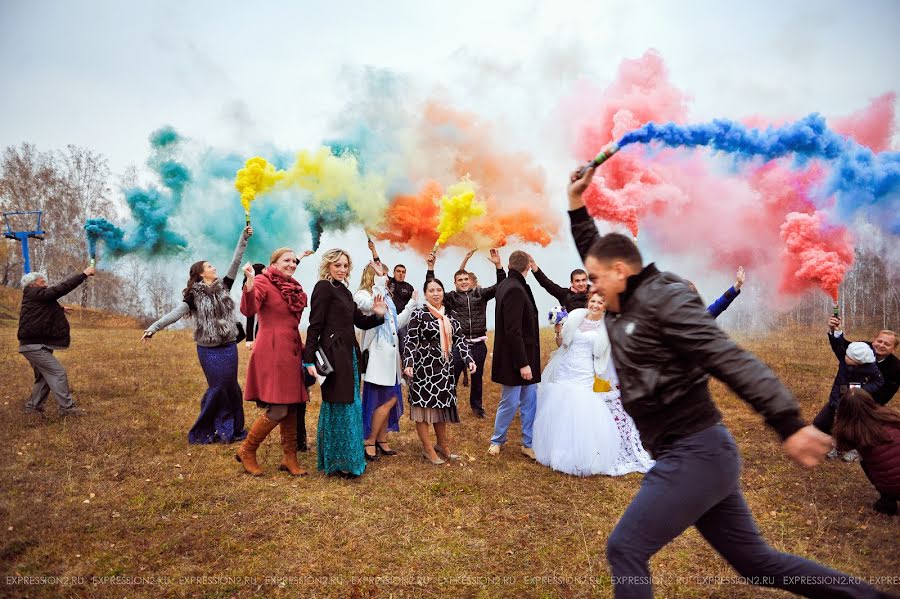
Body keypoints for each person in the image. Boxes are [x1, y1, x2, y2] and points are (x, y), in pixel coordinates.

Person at [567, 166, 883, 598]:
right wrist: (575, 204)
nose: (593, 288)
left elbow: (727, 356)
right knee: (756, 563)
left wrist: (789, 424)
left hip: (693, 452)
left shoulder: (665, 299)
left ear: (620, 271)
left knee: (625, 547)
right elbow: (594, 249)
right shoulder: (625, 296)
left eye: (597, 277)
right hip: (698, 453)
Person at [143, 227, 252, 444]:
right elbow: (176, 314)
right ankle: (208, 427)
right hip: (208, 350)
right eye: (210, 266)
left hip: (229, 346)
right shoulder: (193, 296)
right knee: (218, 387)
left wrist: (243, 237)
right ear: (202, 273)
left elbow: (236, 260)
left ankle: (233, 427)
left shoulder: (224, 286)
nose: (214, 268)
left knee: (231, 387)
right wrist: (153, 327)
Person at [534, 291, 654, 476]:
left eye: (600, 303)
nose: (595, 305)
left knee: (579, 411)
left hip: (585, 372)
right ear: (588, 301)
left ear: (605, 307)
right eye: (593, 301)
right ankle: (557, 453)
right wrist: (558, 331)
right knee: (560, 408)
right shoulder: (575, 317)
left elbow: (608, 353)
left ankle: (577, 456)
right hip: (566, 368)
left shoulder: (607, 327)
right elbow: (562, 344)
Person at [303, 249, 385, 478]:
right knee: (339, 404)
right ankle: (338, 462)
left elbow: (359, 321)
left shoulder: (346, 292)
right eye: (337, 265)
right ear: (328, 266)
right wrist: (307, 359)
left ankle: (350, 458)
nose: (342, 269)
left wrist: (378, 315)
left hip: (349, 354)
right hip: (333, 355)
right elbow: (315, 325)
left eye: (345, 266)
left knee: (350, 403)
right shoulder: (323, 287)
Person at [235, 248, 310, 477]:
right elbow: (248, 308)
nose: (292, 264)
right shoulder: (262, 281)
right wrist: (248, 281)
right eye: (286, 260)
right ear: (274, 263)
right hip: (272, 350)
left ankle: (290, 457)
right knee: (278, 406)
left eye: (294, 261)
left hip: (292, 348)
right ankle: (247, 450)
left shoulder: (292, 286)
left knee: (293, 404)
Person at [403, 278, 475, 465]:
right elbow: (410, 340)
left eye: (439, 290)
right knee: (423, 409)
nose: (436, 294)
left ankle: (443, 446)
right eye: (431, 290)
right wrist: (408, 363)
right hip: (423, 369)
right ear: (425, 294)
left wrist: (469, 359)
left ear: (443, 292)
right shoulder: (419, 314)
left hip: (444, 370)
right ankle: (428, 450)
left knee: (440, 409)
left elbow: (460, 340)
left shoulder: (450, 316)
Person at [426, 248, 505, 418]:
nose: (463, 282)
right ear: (455, 283)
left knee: (477, 379)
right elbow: (432, 289)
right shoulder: (451, 297)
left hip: (478, 345)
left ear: (470, 281)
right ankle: (447, 406)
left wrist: (498, 265)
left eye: (465, 279)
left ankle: (477, 408)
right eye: (459, 280)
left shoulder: (480, 294)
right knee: (451, 377)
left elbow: (501, 285)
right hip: (458, 346)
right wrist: (431, 268)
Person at [355, 262, 419, 460]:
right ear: (372, 275)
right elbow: (373, 305)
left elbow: (397, 323)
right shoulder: (362, 295)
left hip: (392, 359)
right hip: (376, 356)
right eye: (383, 273)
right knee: (380, 400)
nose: (387, 277)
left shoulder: (388, 298)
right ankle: (369, 440)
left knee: (389, 399)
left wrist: (411, 304)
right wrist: (380, 282)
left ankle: (381, 440)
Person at [18, 264, 96, 417]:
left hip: (33, 344)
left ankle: (33, 408)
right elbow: (61, 289)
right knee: (58, 373)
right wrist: (84, 274)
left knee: (44, 377)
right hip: (35, 346)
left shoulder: (33, 296)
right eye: (42, 282)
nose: (45, 284)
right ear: (33, 284)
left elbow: (39, 312)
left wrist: (60, 309)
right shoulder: (35, 293)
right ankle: (67, 409)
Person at [488, 250, 541, 460]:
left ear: (510, 266)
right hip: (516, 359)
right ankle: (496, 440)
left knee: (530, 400)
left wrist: (498, 267)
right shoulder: (514, 289)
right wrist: (523, 364)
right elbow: (513, 330)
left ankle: (528, 443)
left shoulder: (509, 284)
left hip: (526, 355)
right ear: (528, 267)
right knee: (510, 401)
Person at [833, 388, 900, 516]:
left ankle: (887, 499)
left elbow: (841, 447)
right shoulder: (890, 416)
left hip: (893, 489)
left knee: (865, 460)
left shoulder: (852, 432)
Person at [811, 341, 883, 457]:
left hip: (853, 403)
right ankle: (831, 445)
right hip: (836, 399)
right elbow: (837, 347)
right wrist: (836, 333)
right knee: (824, 422)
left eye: (849, 357)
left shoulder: (870, 367)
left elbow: (878, 381)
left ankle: (852, 449)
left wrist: (862, 389)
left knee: (849, 427)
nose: (845, 357)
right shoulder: (844, 360)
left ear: (858, 361)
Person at [828, 317, 900, 407]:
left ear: (894, 349)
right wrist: (835, 330)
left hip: (868, 405)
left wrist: (858, 398)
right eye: (879, 341)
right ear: (874, 341)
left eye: (887, 344)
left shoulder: (896, 368)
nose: (881, 345)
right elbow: (842, 348)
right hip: (840, 399)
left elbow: (884, 395)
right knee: (820, 421)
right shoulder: (863, 347)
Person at [367, 240, 415, 313]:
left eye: (403, 272)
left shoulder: (409, 287)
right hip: (389, 315)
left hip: (403, 318)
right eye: (398, 271)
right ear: (394, 272)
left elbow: (412, 305)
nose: (401, 273)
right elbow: (378, 265)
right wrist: (373, 249)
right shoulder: (388, 281)